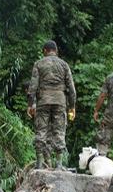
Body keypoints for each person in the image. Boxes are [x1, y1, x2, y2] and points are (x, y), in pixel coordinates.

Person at [27, 40, 76, 170]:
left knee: (41, 131)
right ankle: (59, 164)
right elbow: (72, 89)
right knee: (59, 132)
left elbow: (32, 87)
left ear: (44, 51)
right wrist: (72, 107)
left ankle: (39, 164)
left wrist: (30, 105)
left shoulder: (39, 64)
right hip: (60, 101)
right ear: (56, 51)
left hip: (43, 100)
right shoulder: (64, 65)